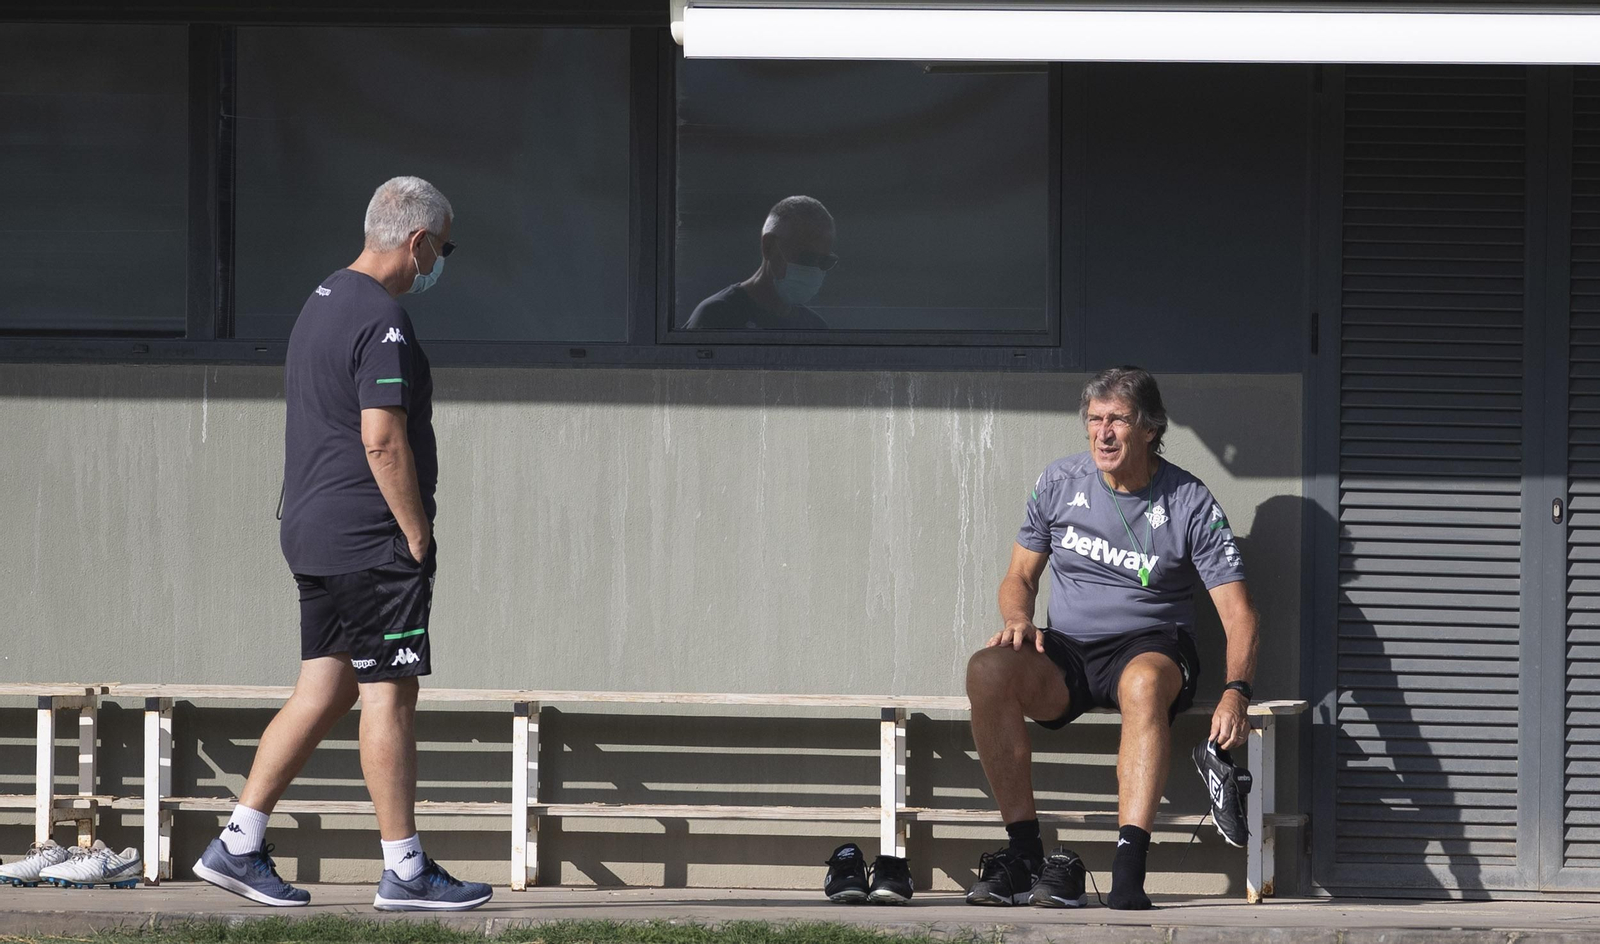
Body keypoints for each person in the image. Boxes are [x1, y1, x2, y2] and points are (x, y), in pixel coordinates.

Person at [191, 176, 491, 912]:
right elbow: (382, 439)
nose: (439, 262)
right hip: (369, 538)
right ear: (418, 242)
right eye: (441, 248)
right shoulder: (383, 318)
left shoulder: (323, 299)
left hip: (312, 530)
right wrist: (416, 535)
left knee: (323, 687)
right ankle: (406, 869)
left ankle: (236, 842)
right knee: (390, 694)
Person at [963, 366, 1258, 911]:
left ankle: (1129, 866)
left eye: (1118, 420)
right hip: (1069, 649)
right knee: (986, 668)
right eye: (1095, 420)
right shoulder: (1059, 482)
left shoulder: (1189, 500)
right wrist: (1018, 618)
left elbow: (1238, 614)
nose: (1103, 432)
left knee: (1144, 683)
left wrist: (1236, 689)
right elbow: (1019, 577)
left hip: (1154, 644)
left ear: (1149, 428)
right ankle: (1025, 854)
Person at [685, 195, 836, 329]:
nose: (814, 270)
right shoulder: (717, 317)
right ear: (769, 247)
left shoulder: (814, 327)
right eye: (806, 258)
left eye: (824, 262)